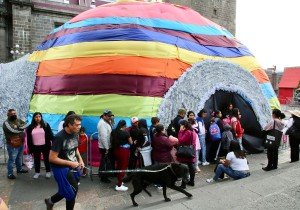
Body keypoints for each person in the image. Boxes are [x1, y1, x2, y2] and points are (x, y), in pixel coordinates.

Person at [45, 114, 84, 210]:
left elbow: (75, 148)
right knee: (71, 192)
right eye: (77, 125)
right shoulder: (59, 137)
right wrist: (71, 163)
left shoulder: (75, 133)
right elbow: (52, 158)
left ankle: (50, 201)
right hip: (61, 168)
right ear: (69, 125)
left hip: (74, 166)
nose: (79, 127)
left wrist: (80, 160)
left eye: (80, 124)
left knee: (67, 190)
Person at [26, 112, 54, 179]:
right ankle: (37, 172)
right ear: (34, 118)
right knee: (36, 159)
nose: (38, 118)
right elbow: (29, 139)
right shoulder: (30, 127)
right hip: (35, 146)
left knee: (46, 159)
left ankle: (48, 172)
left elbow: (50, 135)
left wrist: (54, 143)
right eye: (36, 117)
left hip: (45, 145)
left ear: (41, 117)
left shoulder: (46, 125)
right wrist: (30, 148)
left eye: (39, 116)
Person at [2, 109, 28, 179]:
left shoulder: (18, 120)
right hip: (12, 144)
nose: (14, 115)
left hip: (21, 142)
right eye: (12, 114)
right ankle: (10, 173)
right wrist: (21, 128)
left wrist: (19, 127)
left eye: (14, 113)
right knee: (12, 159)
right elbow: (13, 131)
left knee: (19, 157)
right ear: (8, 115)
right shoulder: (6, 123)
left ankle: (19, 169)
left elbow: (26, 124)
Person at [177, 120, 196, 188]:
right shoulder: (191, 131)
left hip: (185, 152)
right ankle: (191, 182)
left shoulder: (187, 132)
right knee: (190, 166)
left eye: (180, 125)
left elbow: (181, 140)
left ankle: (183, 185)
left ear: (183, 125)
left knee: (184, 168)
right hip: (189, 150)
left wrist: (180, 131)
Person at [97, 109, 114, 183]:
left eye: (111, 116)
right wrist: (107, 148)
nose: (110, 117)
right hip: (104, 147)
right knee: (104, 162)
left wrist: (111, 120)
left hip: (106, 145)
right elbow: (103, 137)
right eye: (108, 116)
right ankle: (103, 177)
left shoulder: (106, 121)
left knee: (105, 161)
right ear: (104, 116)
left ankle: (105, 175)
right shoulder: (102, 124)